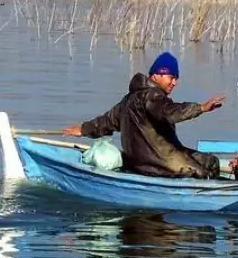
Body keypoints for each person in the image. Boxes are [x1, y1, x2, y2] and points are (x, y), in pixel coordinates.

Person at [61, 51, 226, 179]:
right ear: (156, 75)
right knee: (208, 170)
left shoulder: (127, 101)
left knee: (209, 161)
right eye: (171, 77)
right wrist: (201, 108)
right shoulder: (152, 96)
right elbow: (171, 112)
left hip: (137, 164)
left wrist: (83, 129)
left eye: (176, 78)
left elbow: (105, 122)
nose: (174, 82)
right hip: (161, 164)